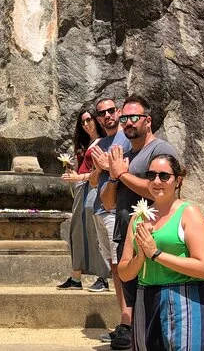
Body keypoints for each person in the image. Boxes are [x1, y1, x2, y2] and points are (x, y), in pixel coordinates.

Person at [118, 154, 204, 350]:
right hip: (146, 300)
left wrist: (156, 254)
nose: (157, 181)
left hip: (186, 299)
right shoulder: (138, 218)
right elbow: (124, 273)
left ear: (178, 180)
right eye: (151, 175)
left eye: (164, 176)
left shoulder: (189, 213)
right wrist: (141, 256)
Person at [100, 94, 178, 350]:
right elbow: (108, 203)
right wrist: (114, 177)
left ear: (148, 120)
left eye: (134, 117)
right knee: (133, 297)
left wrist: (122, 173)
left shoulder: (159, 151)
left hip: (153, 235)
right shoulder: (126, 156)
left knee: (153, 300)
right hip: (126, 234)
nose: (128, 122)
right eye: (124, 118)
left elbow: (159, 191)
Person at [88, 98, 132, 341]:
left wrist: (108, 166)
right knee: (114, 268)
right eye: (102, 113)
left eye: (111, 111)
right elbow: (94, 181)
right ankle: (124, 321)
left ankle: (128, 323)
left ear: (119, 112)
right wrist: (100, 167)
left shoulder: (127, 138)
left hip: (117, 210)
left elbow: (126, 168)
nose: (107, 116)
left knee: (122, 266)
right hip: (100, 208)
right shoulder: (101, 143)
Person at [57, 109, 109, 291]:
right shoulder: (86, 144)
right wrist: (73, 172)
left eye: (89, 120)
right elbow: (83, 168)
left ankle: (103, 277)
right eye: (83, 122)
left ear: (96, 120)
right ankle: (76, 277)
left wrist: (79, 177)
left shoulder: (103, 143)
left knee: (94, 230)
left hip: (93, 188)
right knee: (77, 231)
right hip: (81, 188)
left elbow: (100, 171)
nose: (86, 124)